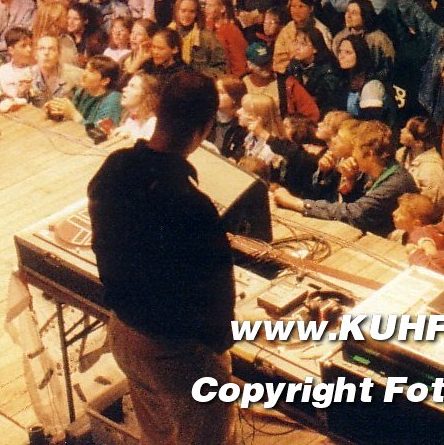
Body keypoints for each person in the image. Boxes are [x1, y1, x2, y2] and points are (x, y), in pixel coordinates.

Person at [88, 68, 239, 445]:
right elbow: (218, 299)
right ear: (205, 128)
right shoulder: (192, 206)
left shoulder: (114, 168)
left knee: (158, 436)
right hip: (173, 351)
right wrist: (217, 358)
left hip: (123, 333)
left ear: (158, 109)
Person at [271, 120, 418, 235]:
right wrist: (350, 185)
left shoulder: (395, 183)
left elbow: (354, 214)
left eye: (355, 149)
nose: (352, 155)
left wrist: (297, 203)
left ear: (370, 154)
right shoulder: (378, 172)